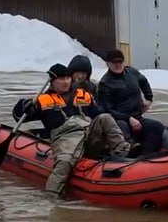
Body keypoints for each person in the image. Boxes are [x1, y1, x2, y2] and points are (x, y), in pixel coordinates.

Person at [14, 63, 130, 198]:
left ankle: (122, 153)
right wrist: (24, 106)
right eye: (61, 79)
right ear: (52, 82)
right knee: (64, 162)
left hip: (87, 131)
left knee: (105, 118)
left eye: (68, 78)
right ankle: (52, 197)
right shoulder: (42, 100)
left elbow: (98, 112)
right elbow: (19, 116)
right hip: (65, 137)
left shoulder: (82, 94)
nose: (66, 82)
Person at [97, 49, 167, 155]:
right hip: (118, 120)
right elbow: (107, 110)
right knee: (122, 129)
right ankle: (128, 157)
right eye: (114, 62)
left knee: (157, 126)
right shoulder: (105, 83)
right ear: (108, 64)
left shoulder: (132, 72)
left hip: (137, 116)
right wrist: (128, 118)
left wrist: (149, 98)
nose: (118, 65)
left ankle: (146, 156)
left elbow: (144, 82)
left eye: (120, 62)